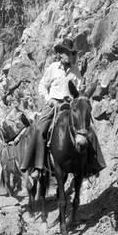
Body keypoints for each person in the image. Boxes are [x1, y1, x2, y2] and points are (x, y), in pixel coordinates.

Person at [21, 38, 105, 185]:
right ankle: (37, 167)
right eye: (66, 53)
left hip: (69, 105)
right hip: (53, 105)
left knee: (87, 129)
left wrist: (81, 94)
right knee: (40, 129)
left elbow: (78, 91)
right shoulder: (53, 68)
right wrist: (49, 99)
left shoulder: (75, 70)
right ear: (61, 54)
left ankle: (92, 165)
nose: (69, 56)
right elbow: (42, 86)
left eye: (71, 53)